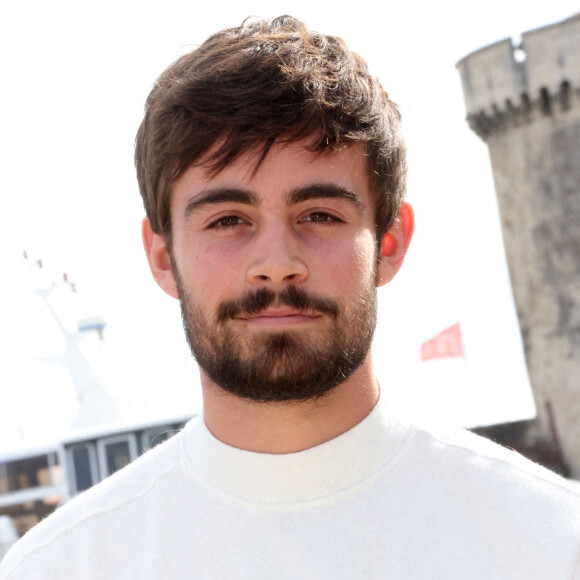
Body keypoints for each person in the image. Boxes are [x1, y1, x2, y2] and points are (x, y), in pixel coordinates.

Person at [2, 15, 580, 580]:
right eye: (228, 220)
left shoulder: (552, 541)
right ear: (162, 256)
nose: (277, 262)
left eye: (320, 214)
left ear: (390, 242)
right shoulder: (62, 566)